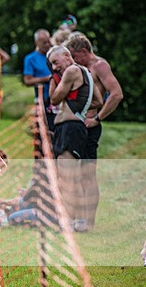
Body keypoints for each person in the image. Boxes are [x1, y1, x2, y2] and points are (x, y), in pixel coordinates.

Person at [65, 32, 124, 230]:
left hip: (90, 125)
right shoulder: (79, 68)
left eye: (73, 56)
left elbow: (116, 94)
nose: (72, 61)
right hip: (75, 125)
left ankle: (89, 222)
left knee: (87, 174)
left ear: (83, 51)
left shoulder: (99, 66)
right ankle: (77, 218)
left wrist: (97, 118)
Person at [47, 45, 102, 229]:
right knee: (74, 176)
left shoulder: (71, 70)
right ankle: (78, 220)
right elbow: (98, 100)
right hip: (76, 127)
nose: (55, 68)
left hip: (69, 128)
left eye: (55, 62)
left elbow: (53, 99)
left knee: (66, 177)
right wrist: (79, 104)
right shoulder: (86, 72)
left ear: (66, 55)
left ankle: (68, 222)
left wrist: (54, 81)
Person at [23, 29, 54, 129]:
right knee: (43, 129)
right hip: (42, 99)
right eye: (44, 42)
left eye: (48, 41)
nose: (47, 44)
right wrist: (46, 79)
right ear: (36, 42)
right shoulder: (30, 59)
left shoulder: (53, 56)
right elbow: (27, 81)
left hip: (57, 99)